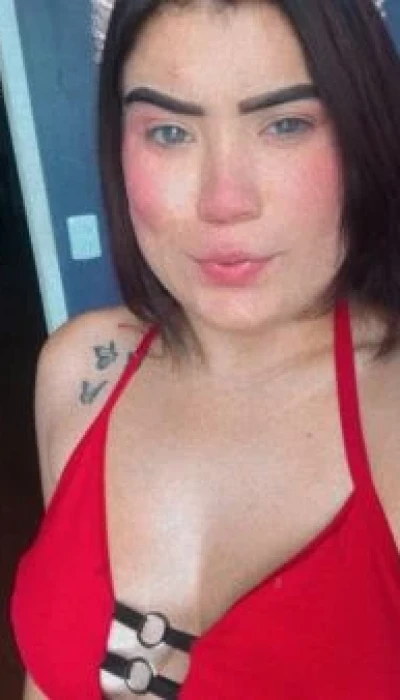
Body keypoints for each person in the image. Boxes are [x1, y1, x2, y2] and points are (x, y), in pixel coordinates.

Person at [11, 0, 400, 697]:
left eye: (285, 124)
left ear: (363, 127)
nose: (224, 200)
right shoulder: (80, 374)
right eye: (169, 132)